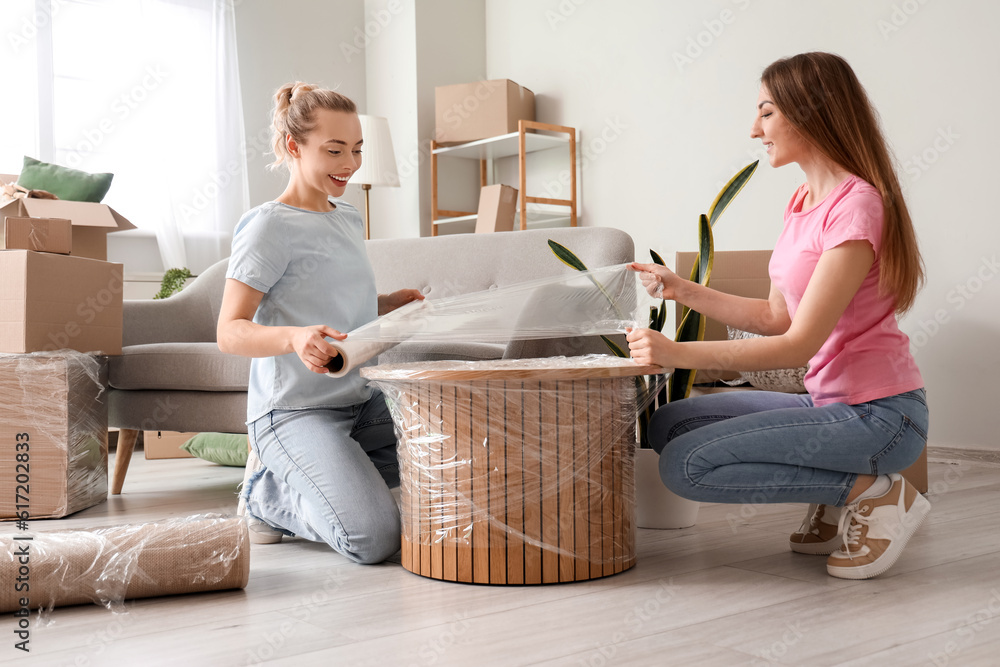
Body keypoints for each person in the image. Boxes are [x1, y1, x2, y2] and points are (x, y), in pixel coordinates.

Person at [626, 52, 929, 580]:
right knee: (671, 422)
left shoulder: (856, 207)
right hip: (828, 401)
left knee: (685, 464)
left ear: (809, 110)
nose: (754, 129)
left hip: (880, 416)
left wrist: (676, 354)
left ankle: (870, 493)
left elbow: (798, 344)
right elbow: (773, 316)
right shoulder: (801, 202)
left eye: (766, 112)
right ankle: (841, 485)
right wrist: (682, 290)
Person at [217, 82, 423, 563]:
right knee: (372, 540)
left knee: (452, 441)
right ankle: (265, 499)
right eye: (334, 150)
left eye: (355, 150)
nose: (349, 164)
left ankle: (322, 476)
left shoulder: (348, 217)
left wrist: (387, 302)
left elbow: (326, 295)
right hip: (294, 412)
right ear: (294, 146)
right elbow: (230, 331)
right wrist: (293, 337)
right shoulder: (268, 225)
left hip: (361, 402)